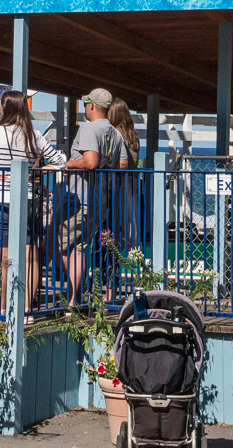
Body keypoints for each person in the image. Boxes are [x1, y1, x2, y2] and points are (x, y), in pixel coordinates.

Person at [0, 91, 66, 312]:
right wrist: (36, 171)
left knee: (1, 260)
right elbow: (60, 162)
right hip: (28, 200)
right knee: (30, 257)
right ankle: (27, 310)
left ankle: (2, 310)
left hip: (0, 200)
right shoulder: (34, 134)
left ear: (3, 108)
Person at [60, 88, 125, 309]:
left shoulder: (88, 129)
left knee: (55, 246)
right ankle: (74, 300)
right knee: (78, 247)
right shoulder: (116, 134)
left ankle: (73, 298)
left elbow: (90, 162)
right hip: (100, 201)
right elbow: (120, 167)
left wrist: (67, 164)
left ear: (91, 106)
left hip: (79, 199)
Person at [107, 97, 143, 247]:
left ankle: (112, 248)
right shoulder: (133, 134)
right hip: (133, 179)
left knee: (114, 217)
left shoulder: (116, 133)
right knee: (130, 219)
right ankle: (132, 252)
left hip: (119, 180)